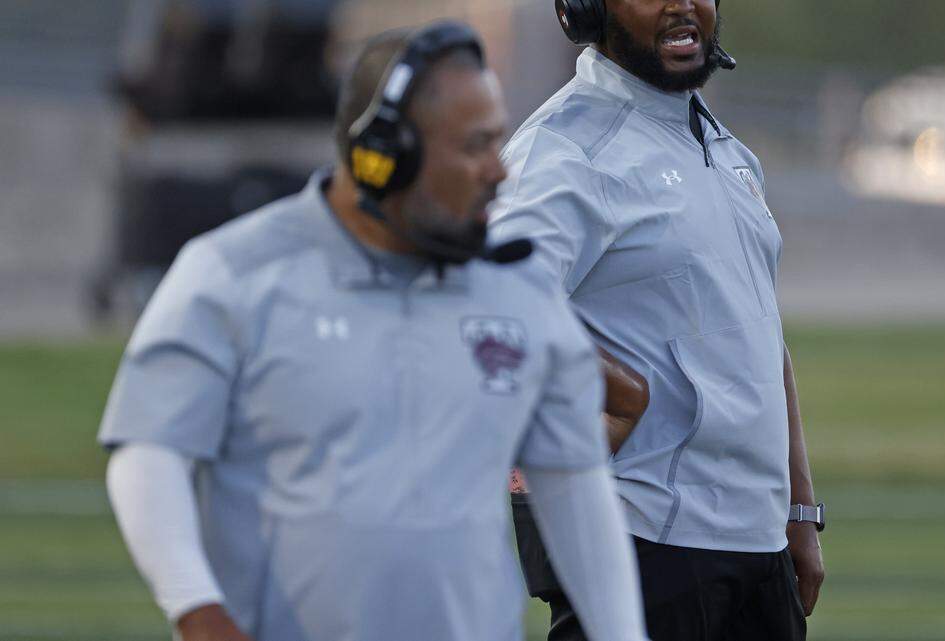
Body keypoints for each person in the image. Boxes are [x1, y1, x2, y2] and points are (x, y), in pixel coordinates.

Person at [98, 21, 650, 641]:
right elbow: (150, 450)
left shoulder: (518, 290)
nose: (498, 171)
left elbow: (573, 485)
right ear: (382, 156)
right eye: (473, 147)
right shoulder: (234, 272)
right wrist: (197, 609)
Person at [490, 2, 826, 640]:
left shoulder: (725, 149)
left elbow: (760, 330)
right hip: (641, 539)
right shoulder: (564, 148)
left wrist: (797, 508)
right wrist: (617, 397)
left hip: (755, 541)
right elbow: (492, 308)